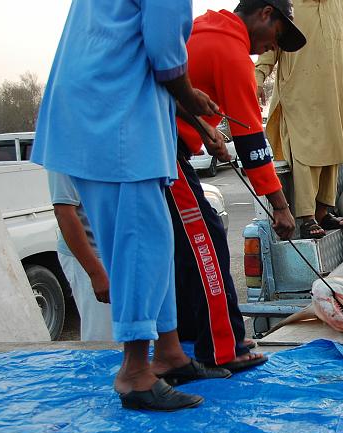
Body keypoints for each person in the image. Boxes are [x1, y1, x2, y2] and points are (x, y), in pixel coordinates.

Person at [32, 0, 233, 411]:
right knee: (140, 242)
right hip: (115, 116)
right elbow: (164, 52)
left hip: (108, 106)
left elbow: (139, 48)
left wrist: (193, 116)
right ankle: (135, 371)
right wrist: (193, 100)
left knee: (153, 238)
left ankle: (170, 353)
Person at [169, 0, 301, 372]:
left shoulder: (204, 28)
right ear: (265, 13)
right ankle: (223, 348)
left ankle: (190, 340)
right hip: (163, 153)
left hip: (156, 145)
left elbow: (169, 91)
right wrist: (280, 206)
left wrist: (203, 128)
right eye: (278, 36)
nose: (273, 47)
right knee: (207, 243)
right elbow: (252, 142)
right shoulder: (231, 50)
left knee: (179, 254)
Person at [255, 0, 343, 239]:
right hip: (299, 95)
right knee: (305, 153)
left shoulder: (339, 4)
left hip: (334, 94)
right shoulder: (287, 4)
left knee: (332, 153)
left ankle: (322, 212)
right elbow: (271, 44)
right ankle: (307, 217)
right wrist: (258, 77)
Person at [49, 172, 113, 342]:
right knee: (103, 339)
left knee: (135, 335)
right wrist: (96, 274)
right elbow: (64, 212)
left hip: (121, 252)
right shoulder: (66, 149)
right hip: (93, 254)